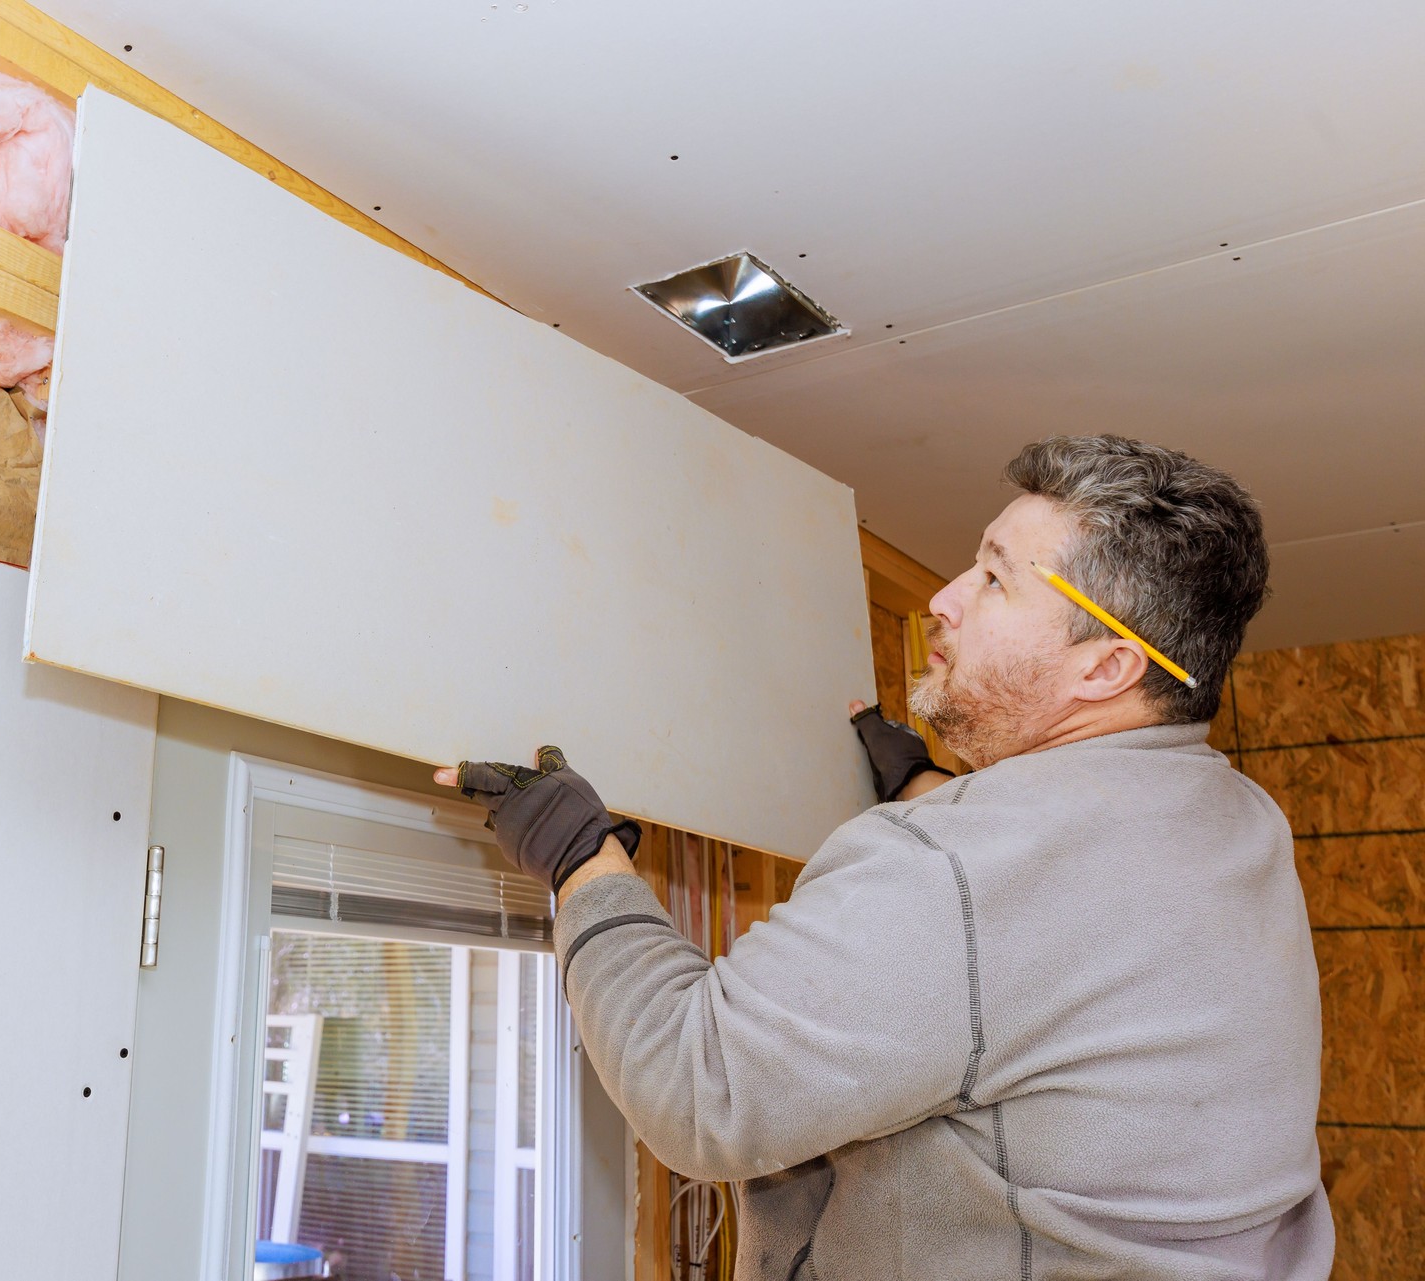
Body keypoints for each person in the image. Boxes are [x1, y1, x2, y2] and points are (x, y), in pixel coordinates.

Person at [438, 435, 1329, 1279]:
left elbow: (699, 1087)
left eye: (993, 579)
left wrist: (578, 854)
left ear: (1104, 669)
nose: (943, 597)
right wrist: (928, 789)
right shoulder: (1237, 816)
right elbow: (1059, 918)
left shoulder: (957, 866)